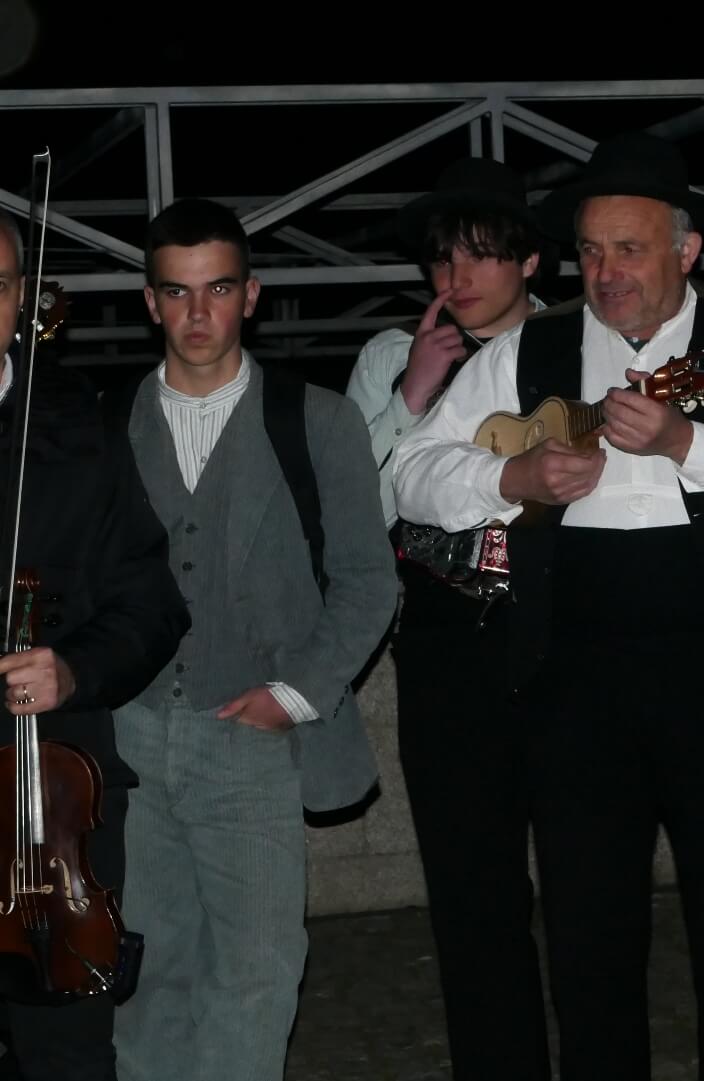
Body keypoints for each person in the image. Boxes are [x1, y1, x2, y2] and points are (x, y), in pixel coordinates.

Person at [390, 132, 704, 1078]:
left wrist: (689, 443)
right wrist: (512, 476)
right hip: (575, 677)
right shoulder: (530, 346)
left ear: (687, 250)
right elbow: (412, 473)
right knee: (588, 936)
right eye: (592, 251)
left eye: (630, 249)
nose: (606, 273)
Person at [111, 198, 396, 1081]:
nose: (199, 313)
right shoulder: (104, 430)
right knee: (142, 969)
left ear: (252, 294)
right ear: (150, 302)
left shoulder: (318, 421)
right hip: (130, 736)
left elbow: (368, 580)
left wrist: (293, 695)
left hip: (253, 737)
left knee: (257, 973)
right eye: (178, 291)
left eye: (219, 289)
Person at [340, 156, 554, 1078]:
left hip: (566, 638)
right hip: (444, 644)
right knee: (472, 889)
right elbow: (350, 510)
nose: (455, 277)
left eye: (479, 254)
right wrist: (410, 397)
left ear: (530, 260)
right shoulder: (391, 355)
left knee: (588, 880)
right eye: (442, 258)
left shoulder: (579, 349)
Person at [0, 214, 188, 1081]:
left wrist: (73, 668)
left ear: (22, 299)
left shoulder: (79, 424)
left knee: (67, 1056)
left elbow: (151, 603)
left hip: (51, 811)